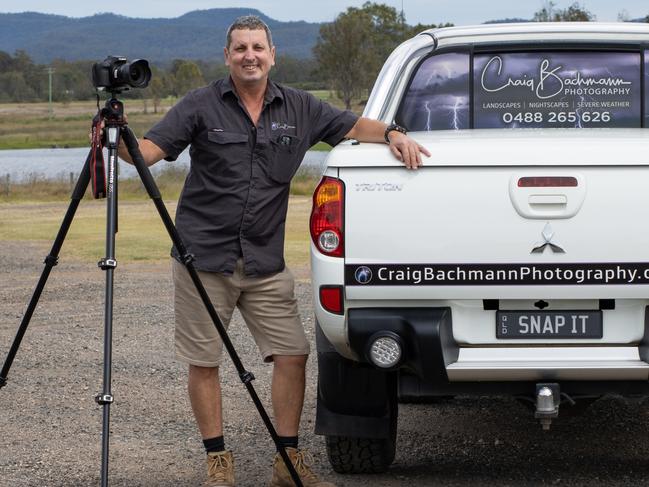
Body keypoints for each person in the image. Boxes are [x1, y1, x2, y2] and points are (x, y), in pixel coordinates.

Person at [116, 15, 429, 487]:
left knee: (293, 354)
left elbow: (351, 125)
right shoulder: (200, 105)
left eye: (257, 47)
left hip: (265, 262)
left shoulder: (300, 108)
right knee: (205, 361)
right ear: (227, 56)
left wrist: (392, 134)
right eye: (240, 48)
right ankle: (218, 462)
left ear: (272, 54)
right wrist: (112, 136)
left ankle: (287, 460)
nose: (249, 56)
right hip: (203, 259)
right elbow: (146, 152)